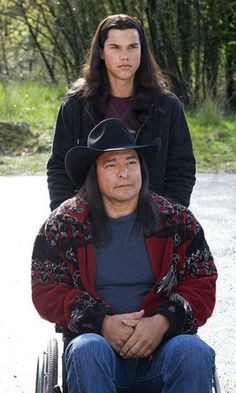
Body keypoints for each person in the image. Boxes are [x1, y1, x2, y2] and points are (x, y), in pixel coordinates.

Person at [32, 118, 217, 393]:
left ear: (142, 168)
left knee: (193, 351)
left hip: (162, 351)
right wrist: (101, 323)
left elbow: (203, 282)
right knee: (86, 348)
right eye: (111, 164)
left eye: (131, 162)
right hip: (97, 354)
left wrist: (162, 322)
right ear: (93, 174)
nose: (124, 173)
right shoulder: (64, 225)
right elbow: (46, 290)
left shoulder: (176, 221)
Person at [47, 14, 196, 211]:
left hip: (151, 219)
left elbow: (182, 169)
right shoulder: (76, 105)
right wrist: (68, 218)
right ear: (101, 52)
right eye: (115, 47)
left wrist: (168, 217)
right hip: (92, 221)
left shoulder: (166, 106)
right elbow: (59, 167)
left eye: (132, 47)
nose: (124, 57)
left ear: (142, 50)